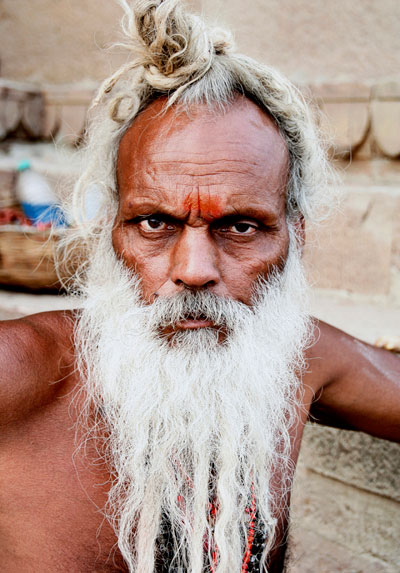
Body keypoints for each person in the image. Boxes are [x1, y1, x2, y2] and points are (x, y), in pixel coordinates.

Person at [0, 1, 399, 571]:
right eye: (154, 223)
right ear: (112, 233)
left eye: (240, 226)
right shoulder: (18, 369)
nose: (192, 269)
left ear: (295, 238)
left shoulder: (299, 356)